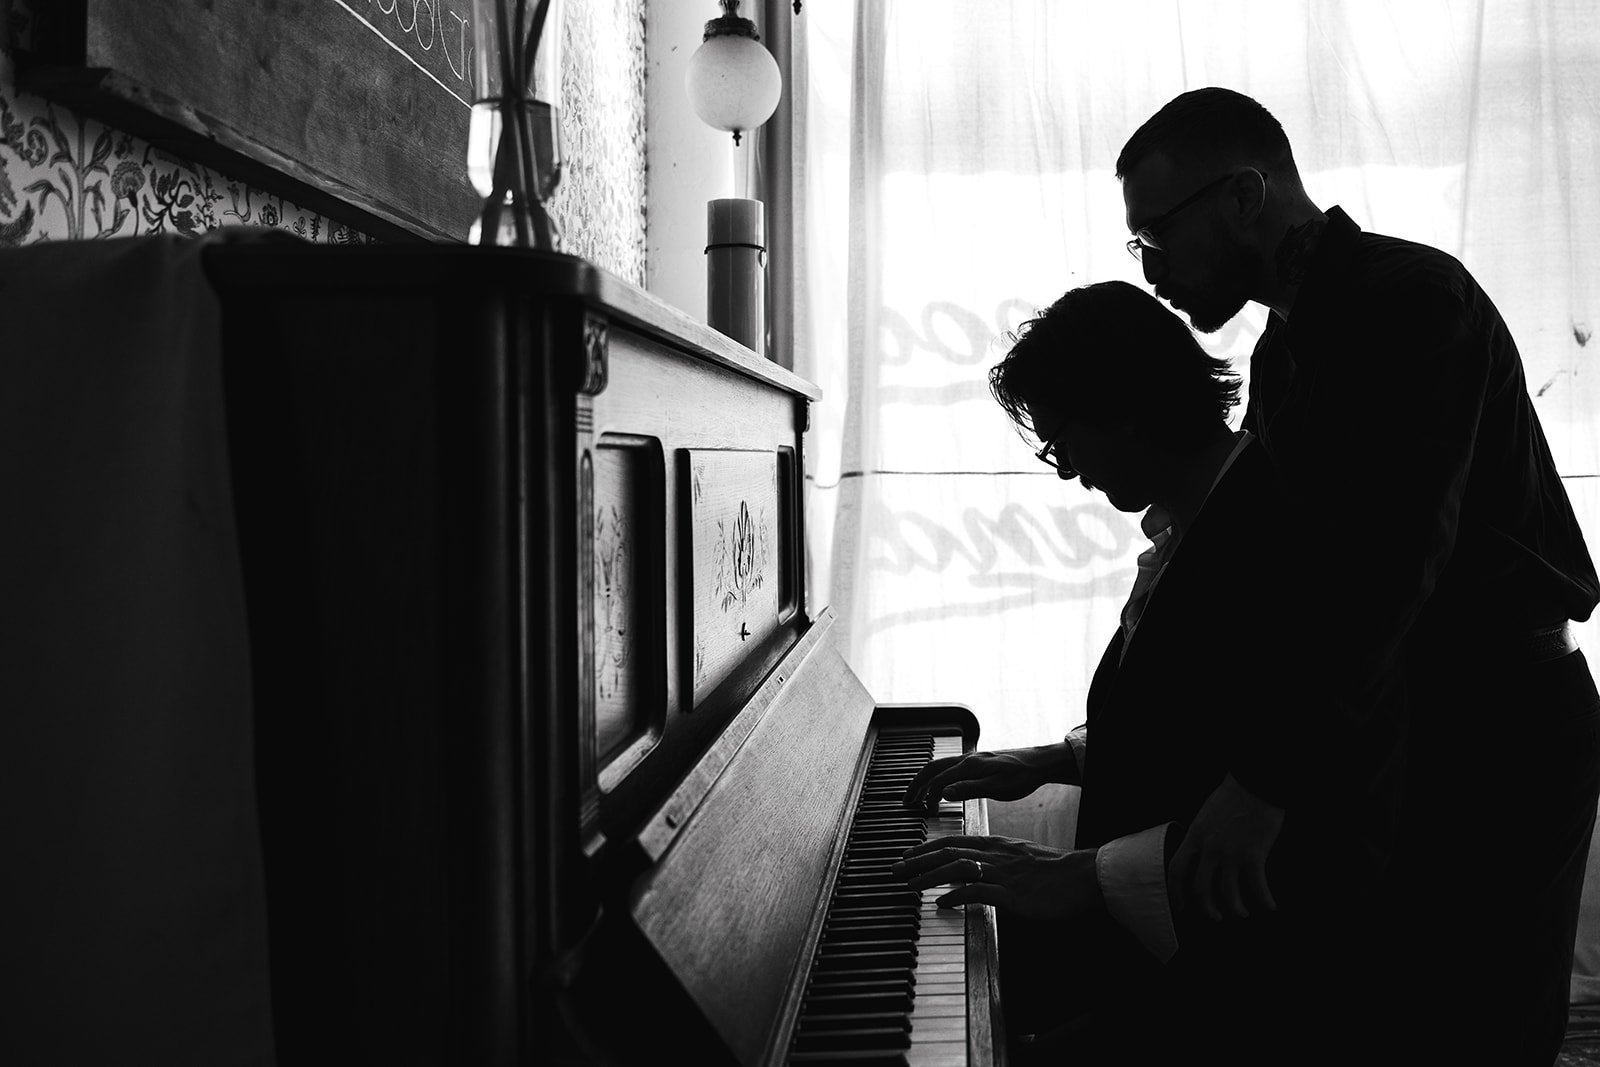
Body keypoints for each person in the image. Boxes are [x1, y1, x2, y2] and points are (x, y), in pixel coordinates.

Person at [1114, 86, 1600, 1065]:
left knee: (1480, 1029)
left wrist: (1264, 781)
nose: (1152, 269)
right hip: (1407, 721)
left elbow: (1386, 563)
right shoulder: (1285, 350)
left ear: (1245, 194)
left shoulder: (1409, 299)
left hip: (1498, 723)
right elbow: (1288, 581)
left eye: (1157, 235)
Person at [894, 279, 1388, 1066]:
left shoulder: (1272, 529)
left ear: (1121, 407)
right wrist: (1054, 759)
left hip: (1252, 978)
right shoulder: (1206, 514)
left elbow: (1304, 809)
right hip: (1175, 944)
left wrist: (1080, 875)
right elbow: (1201, 719)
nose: (1064, 472)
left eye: (1062, 441)